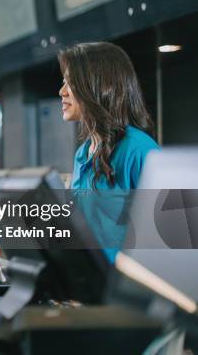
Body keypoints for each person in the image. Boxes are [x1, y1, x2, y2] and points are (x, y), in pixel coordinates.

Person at [58, 42, 160, 258]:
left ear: (98, 85)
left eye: (71, 82)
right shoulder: (82, 154)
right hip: (92, 284)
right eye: (63, 82)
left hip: (126, 287)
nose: (62, 91)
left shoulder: (139, 150)